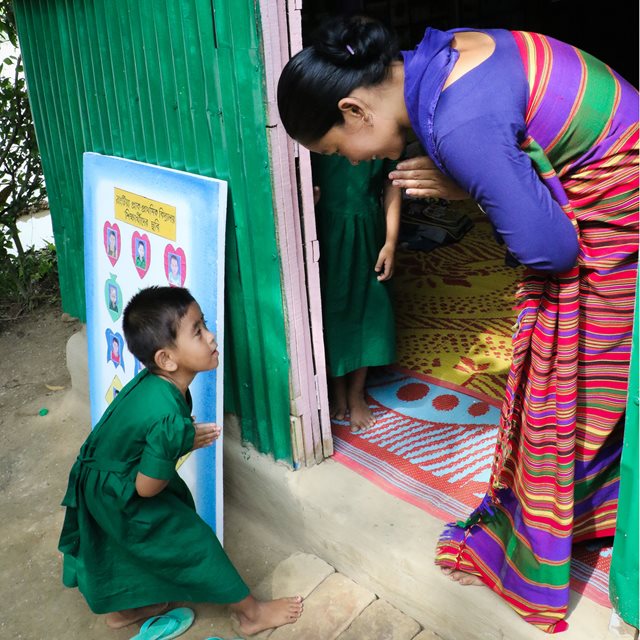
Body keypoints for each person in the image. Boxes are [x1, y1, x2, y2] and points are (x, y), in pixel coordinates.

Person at [277, 15, 638, 632]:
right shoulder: (442, 57)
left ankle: (574, 519)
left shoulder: (456, 125)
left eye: (337, 150)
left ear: (354, 109)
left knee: (565, 389)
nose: (351, 159)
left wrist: (469, 187)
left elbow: (551, 251)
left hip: (618, 203)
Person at [58, 286, 304, 634]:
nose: (212, 336)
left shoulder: (155, 384)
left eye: (204, 325)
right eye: (198, 331)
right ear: (167, 359)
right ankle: (251, 613)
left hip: (100, 480)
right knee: (190, 541)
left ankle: (124, 609)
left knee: (118, 541)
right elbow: (146, 489)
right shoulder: (168, 418)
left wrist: (179, 439)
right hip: (124, 489)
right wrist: (180, 443)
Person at [313, 154, 400, 431]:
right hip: (326, 232)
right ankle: (337, 387)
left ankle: (356, 392)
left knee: (369, 307)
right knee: (331, 307)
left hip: (367, 231)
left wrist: (390, 243)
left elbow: (392, 186)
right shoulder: (318, 137)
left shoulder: (382, 135)